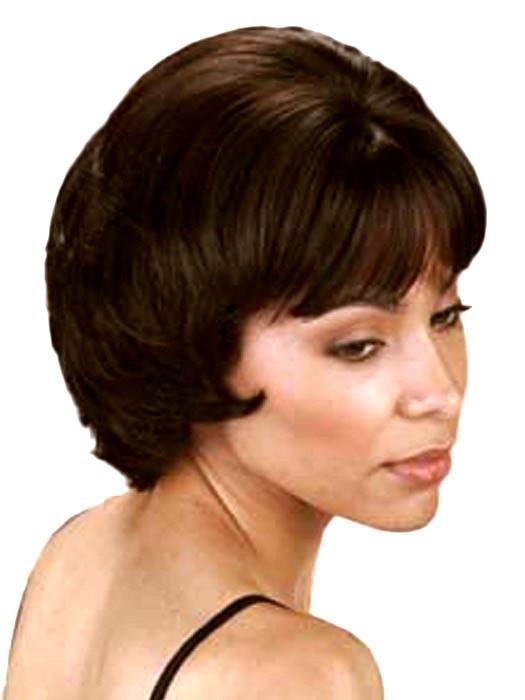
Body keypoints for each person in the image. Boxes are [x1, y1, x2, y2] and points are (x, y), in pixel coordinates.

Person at [4, 24, 485, 699]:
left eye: (446, 316)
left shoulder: (81, 551)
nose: (439, 392)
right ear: (191, 342)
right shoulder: (300, 675)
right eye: (357, 345)